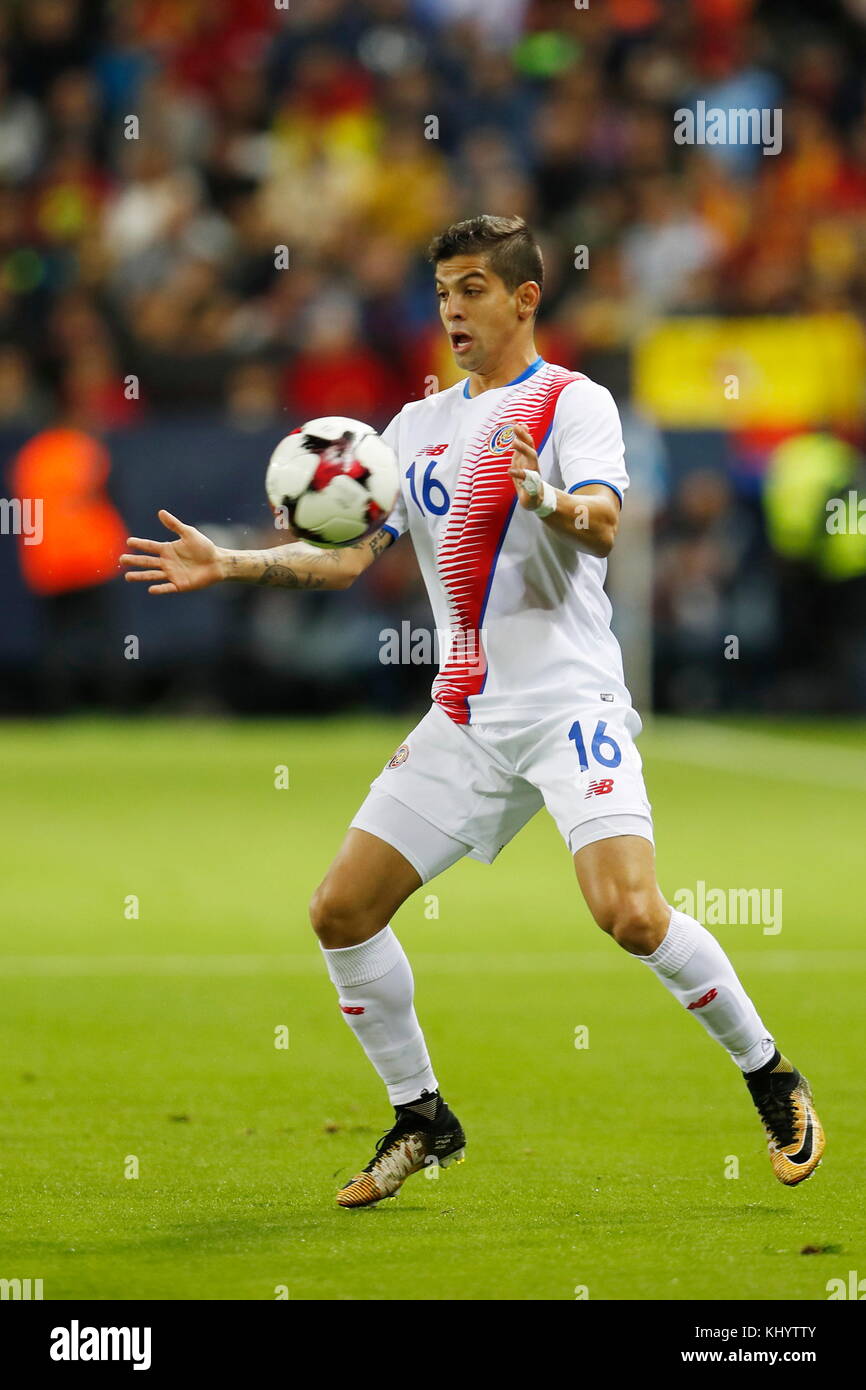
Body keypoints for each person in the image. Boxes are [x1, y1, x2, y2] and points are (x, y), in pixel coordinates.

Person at [121, 215, 824, 1208]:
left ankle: (766, 1072)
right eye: (442, 290)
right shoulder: (410, 430)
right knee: (340, 910)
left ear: (523, 296)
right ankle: (423, 1116)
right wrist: (233, 560)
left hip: (567, 699)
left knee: (626, 913)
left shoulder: (570, 402)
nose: (450, 307)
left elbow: (602, 522)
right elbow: (350, 555)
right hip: (465, 713)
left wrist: (541, 497)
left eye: (471, 289)